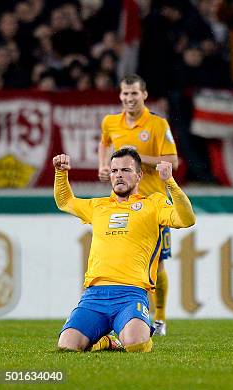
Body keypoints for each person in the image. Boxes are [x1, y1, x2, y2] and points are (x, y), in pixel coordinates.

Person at [54, 149, 196, 352]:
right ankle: (107, 342)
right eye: (114, 170)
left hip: (131, 294)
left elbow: (187, 219)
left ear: (139, 175)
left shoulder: (154, 203)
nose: (119, 174)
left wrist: (170, 183)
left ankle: (120, 337)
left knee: (136, 344)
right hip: (94, 295)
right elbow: (65, 201)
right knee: (67, 346)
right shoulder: (98, 205)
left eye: (126, 170)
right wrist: (61, 173)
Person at [98, 74, 179, 336]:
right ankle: (127, 315)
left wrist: (135, 157)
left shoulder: (157, 124)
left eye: (134, 94)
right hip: (122, 205)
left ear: (144, 95)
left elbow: (172, 161)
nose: (129, 99)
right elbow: (104, 142)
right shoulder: (111, 122)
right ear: (120, 96)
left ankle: (160, 319)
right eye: (125, 94)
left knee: (157, 264)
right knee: (121, 263)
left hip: (152, 205)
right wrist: (103, 165)